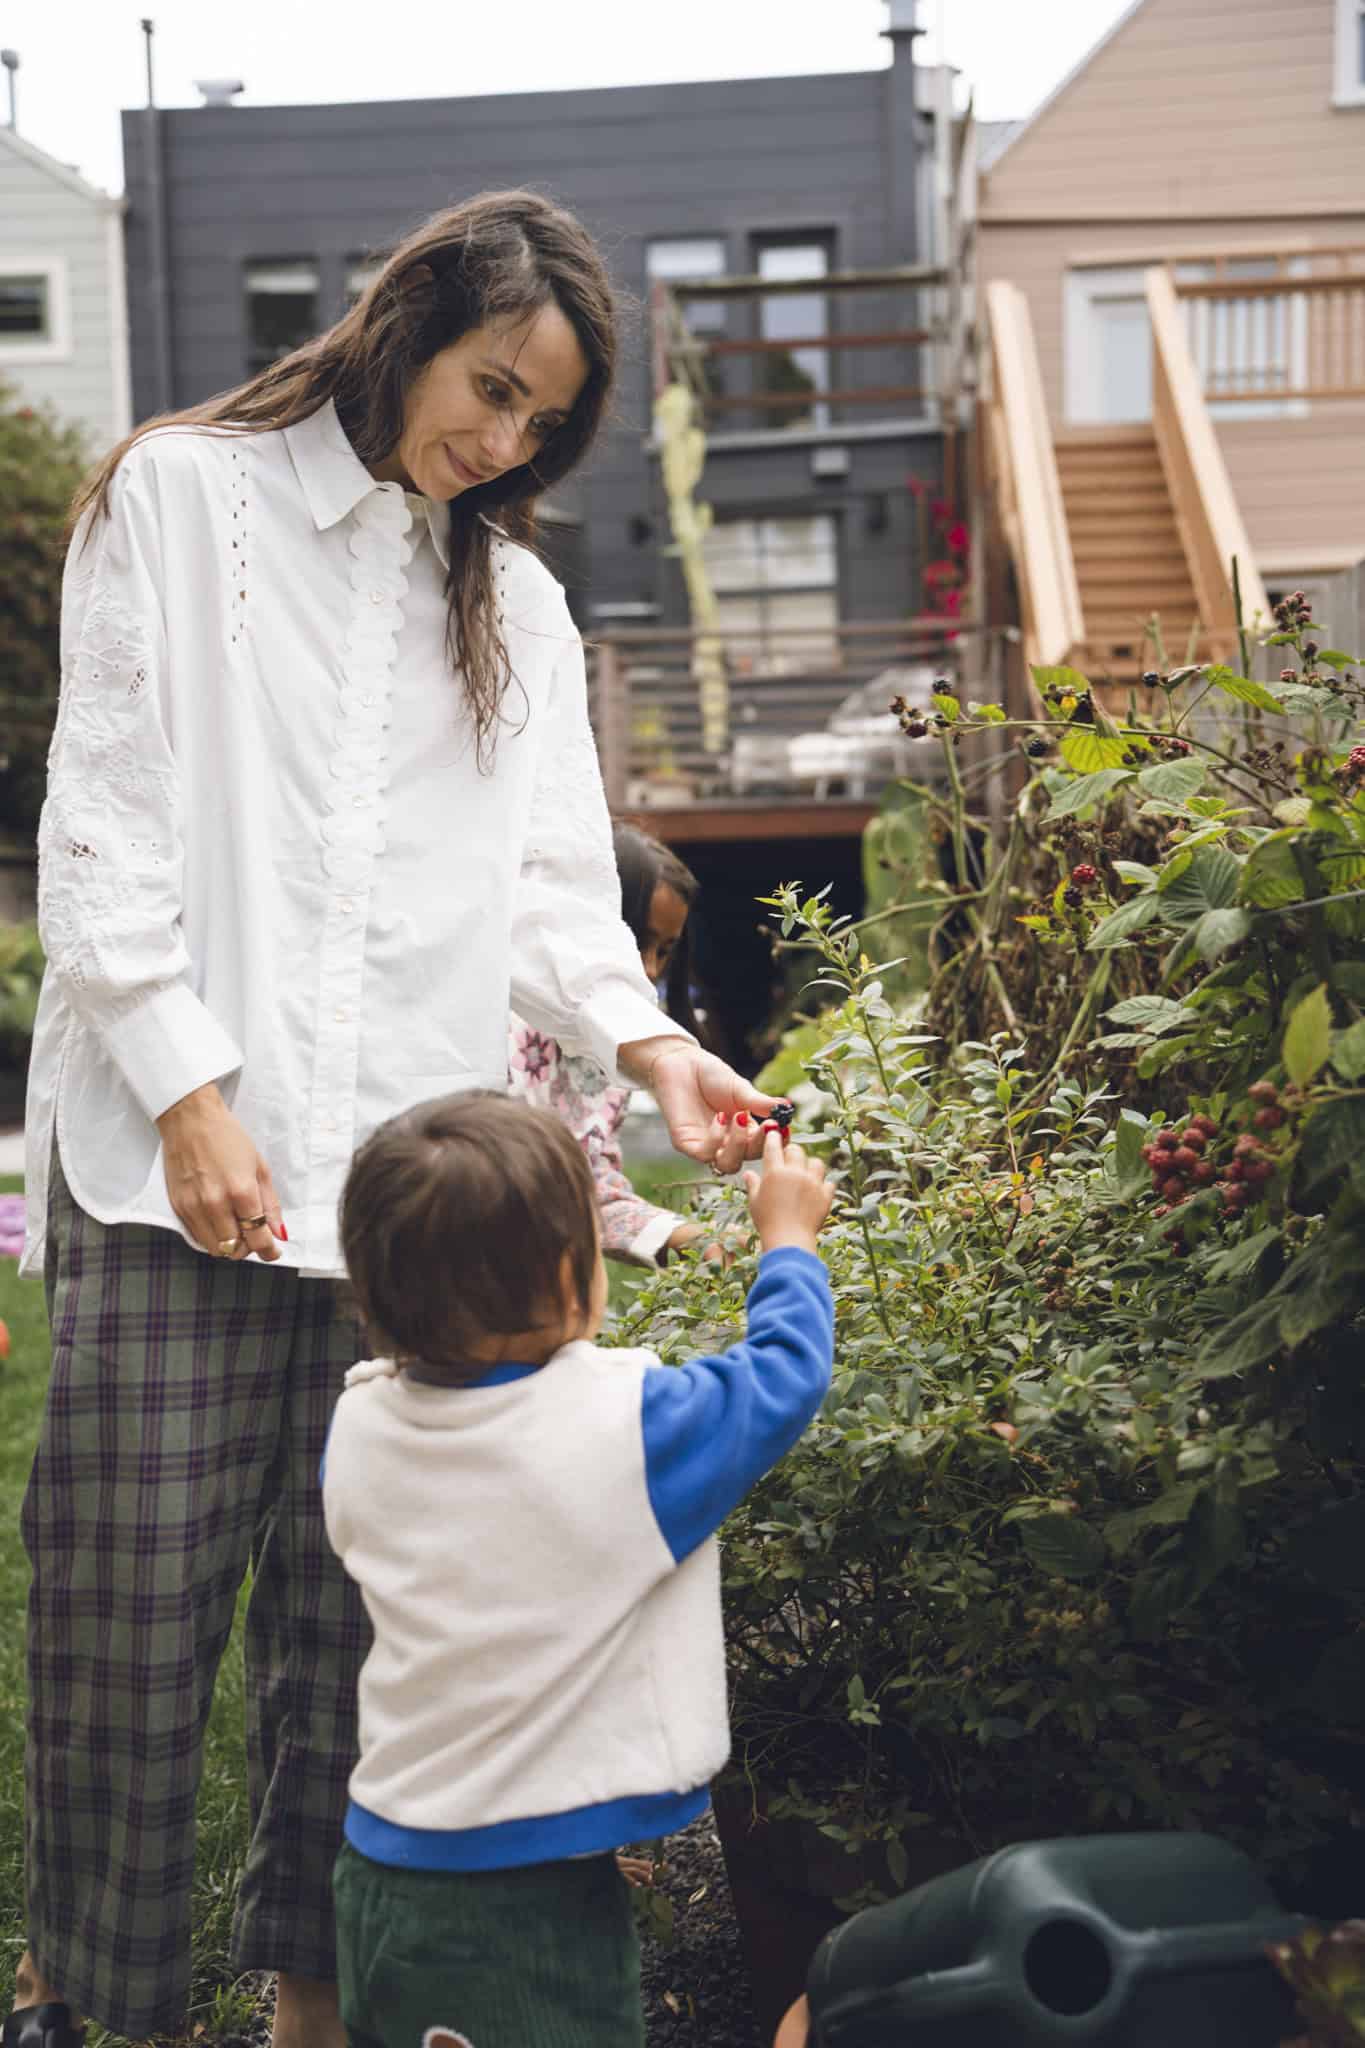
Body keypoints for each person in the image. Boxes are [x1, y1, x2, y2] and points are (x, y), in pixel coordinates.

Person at [8, 191, 778, 2048]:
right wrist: (190, 1092)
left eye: (541, 423)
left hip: (401, 1209)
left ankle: (314, 2002)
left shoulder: (513, 602)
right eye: (492, 388)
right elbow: (102, 823)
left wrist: (646, 1048)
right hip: (176, 1169)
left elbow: (551, 893)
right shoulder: (180, 499)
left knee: (360, 1634)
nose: (504, 442)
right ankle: (94, 2003)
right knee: (126, 1615)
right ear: (408, 322)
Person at [324, 1094, 836, 2048]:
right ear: (574, 1279)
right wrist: (789, 1242)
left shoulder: (358, 1426)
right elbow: (783, 1377)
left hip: (381, 1866)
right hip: (519, 1914)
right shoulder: (623, 1436)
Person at [509, 820, 714, 1265]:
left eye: (665, 950)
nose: (651, 968)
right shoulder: (509, 1022)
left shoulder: (616, 1054)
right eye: (637, 941)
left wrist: (702, 1242)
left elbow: (588, 1191)